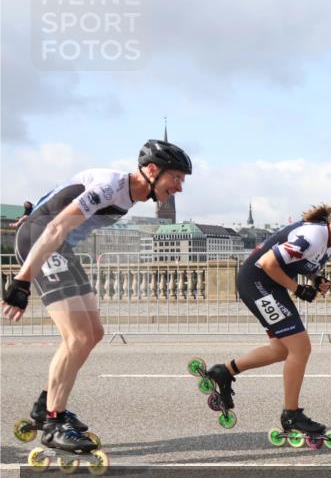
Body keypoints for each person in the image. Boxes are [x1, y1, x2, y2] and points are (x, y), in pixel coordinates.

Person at [2, 140, 192, 460]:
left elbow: (61, 194)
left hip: (59, 247)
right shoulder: (109, 187)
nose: (180, 187)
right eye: (176, 178)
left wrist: (33, 210)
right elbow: (58, 225)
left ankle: (44, 406)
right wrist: (21, 281)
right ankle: (53, 422)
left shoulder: (131, 194)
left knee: (94, 333)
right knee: (77, 336)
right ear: (151, 170)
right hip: (45, 241)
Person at [193, 193, 331, 448]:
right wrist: (297, 289)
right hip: (257, 282)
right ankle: (291, 415)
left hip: (268, 285)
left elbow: (303, 263)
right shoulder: (314, 235)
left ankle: (224, 371)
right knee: (300, 348)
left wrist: (315, 280)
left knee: (282, 349)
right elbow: (268, 262)